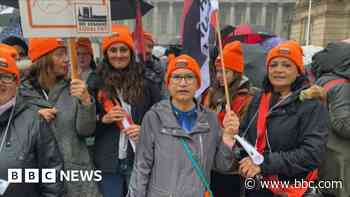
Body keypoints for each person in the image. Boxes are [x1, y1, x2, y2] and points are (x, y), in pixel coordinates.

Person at [127, 54, 239, 197]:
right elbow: (141, 167)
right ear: (168, 83)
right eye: (177, 77)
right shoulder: (154, 118)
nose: (183, 83)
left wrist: (228, 138)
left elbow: (222, 165)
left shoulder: (210, 119)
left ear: (198, 83)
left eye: (189, 77)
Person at [236, 41, 328, 197]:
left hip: (290, 189)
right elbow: (244, 135)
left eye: (286, 65)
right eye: (273, 65)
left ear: (299, 71)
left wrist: (264, 163)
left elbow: (312, 153)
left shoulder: (311, 104)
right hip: (256, 186)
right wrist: (243, 156)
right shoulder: (259, 97)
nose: (278, 70)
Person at [19, 37, 101, 197]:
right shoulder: (21, 93)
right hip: (39, 178)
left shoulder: (74, 87)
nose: (67, 60)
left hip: (75, 177)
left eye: (66, 54)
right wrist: (32, 118)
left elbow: (86, 131)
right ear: (43, 59)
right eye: (59, 54)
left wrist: (86, 101)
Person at [94, 24, 160, 197]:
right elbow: (84, 126)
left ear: (131, 52)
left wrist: (145, 129)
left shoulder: (147, 79)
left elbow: (162, 116)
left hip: (139, 158)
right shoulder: (95, 82)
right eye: (113, 50)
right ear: (106, 54)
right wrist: (103, 119)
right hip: (108, 161)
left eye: (123, 49)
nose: (118, 55)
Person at [0, 53, 64, 197]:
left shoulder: (35, 122)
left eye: (6, 77)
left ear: (17, 83)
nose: (0, 82)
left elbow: (52, 178)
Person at [202, 41, 256, 197]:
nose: (219, 76)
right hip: (209, 162)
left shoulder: (248, 98)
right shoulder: (211, 93)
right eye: (217, 71)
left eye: (224, 72)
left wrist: (233, 127)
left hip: (232, 167)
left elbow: (248, 132)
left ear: (236, 72)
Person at [311, 41, 350, 197]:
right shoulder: (342, 86)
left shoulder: (324, 81)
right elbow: (344, 125)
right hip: (341, 161)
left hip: (326, 156)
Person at [76, 37, 99, 151]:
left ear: (91, 55)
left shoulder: (97, 76)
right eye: (78, 53)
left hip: (91, 130)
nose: (81, 57)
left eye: (85, 53)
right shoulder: (68, 76)